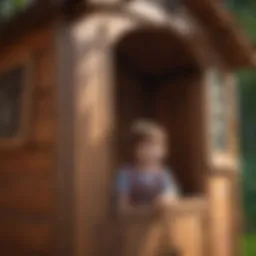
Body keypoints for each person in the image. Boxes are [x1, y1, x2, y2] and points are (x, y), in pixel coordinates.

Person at [115, 120, 179, 214]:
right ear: (134, 149)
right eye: (144, 147)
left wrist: (166, 199)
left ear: (163, 150)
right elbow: (122, 204)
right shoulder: (125, 173)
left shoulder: (163, 173)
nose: (150, 152)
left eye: (155, 147)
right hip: (133, 224)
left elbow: (172, 195)